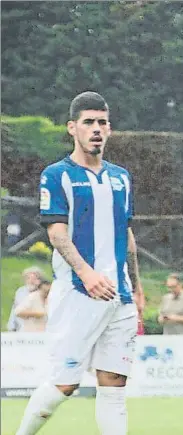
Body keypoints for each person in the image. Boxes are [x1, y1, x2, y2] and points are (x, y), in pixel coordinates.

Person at [16, 91, 145, 435]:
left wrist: (138, 288)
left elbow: (126, 236)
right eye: (88, 122)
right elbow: (57, 234)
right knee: (64, 384)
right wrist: (86, 274)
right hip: (78, 293)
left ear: (110, 129)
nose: (96, 129)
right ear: (72, 128)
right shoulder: (56, 175)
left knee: (114, 384)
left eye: (102, 122)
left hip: (120, 296)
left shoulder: (121, 177)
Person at [7, 267, 45, 332]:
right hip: (21, 329)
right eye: (28, 278)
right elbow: (14, 310)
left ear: (40, 281)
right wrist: (11, 327)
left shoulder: (43, 293)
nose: (31, 281)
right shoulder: (20, 292)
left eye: (35, 278)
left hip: (38, 330)